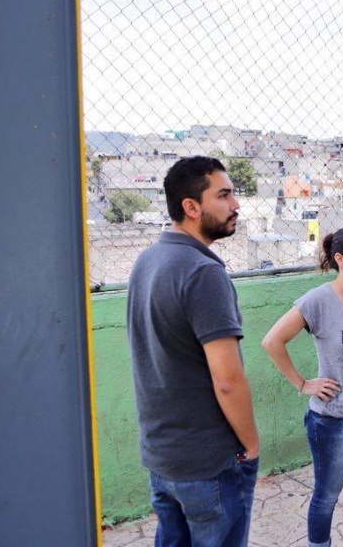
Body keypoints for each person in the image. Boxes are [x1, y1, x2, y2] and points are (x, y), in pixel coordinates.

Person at [127, 155, 259, 546]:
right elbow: (228, 381)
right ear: (191, 207)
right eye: (224, 195)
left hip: (162, 455)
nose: (235, 205)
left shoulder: (148, 261)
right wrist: (251, 446)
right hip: (207, 462)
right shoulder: (203, 273)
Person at [262, 227, 343, 547]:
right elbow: (272, 341)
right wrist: (304, 384)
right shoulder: (319, 300)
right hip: (333, 419)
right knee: (326, 497)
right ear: (340, 259)